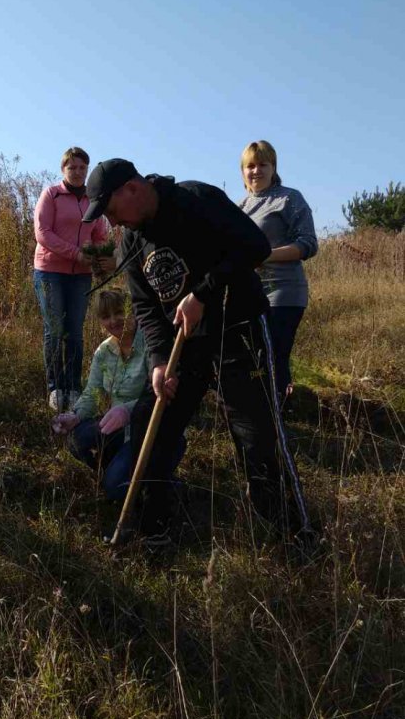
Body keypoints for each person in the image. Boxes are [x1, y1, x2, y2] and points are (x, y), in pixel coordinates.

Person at [81, 158, 313, 548]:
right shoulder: (132, 241)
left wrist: (204, 293)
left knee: (257, 436)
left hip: (238, 332)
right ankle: (156, 529)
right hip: (183, 346)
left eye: (112, 210)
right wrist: (157, 361)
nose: (114, 222)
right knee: (151, 424)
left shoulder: (195, 199)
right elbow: (145, 309)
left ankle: (290, 535)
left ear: (132, 190)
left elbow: (254, 246)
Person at [52, 289, 153, 500]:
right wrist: (75, 415)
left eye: (119, 312)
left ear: (132, 312)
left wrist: (127, 410)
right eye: (106, 316)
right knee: (75, 439)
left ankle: (157, 483)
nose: (114, 321)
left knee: (115, 487)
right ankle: (118, 470)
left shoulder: (151, 344)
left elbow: (157, 396)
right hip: (117, 428)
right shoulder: (103, 352)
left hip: (148, 430)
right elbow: (92, 392)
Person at [33, 147, 111, 412]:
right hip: (50, 271)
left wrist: (99, 255)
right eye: (72, 168)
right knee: (54, 330)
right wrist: (75, 254)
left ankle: (73, 388)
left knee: (75, 333)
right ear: (63, 169)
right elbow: (43, 233)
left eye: (82, 168)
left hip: (81, 275)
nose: (77, 173)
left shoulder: (93, 198)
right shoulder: (51, 194)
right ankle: (55, 388)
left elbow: (100, 234)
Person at [239, 140, 318, 399]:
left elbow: (308, 244)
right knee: (252, 358)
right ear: (242, 172)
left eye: (263, 164)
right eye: (250, 166)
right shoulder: (239, 208)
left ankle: (279, 418)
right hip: (249, 293)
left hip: (284, 292)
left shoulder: (289, 198)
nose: (256, 171)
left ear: (273, 167)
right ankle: (262, 413)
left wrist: (266, 256)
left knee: (274, 356)